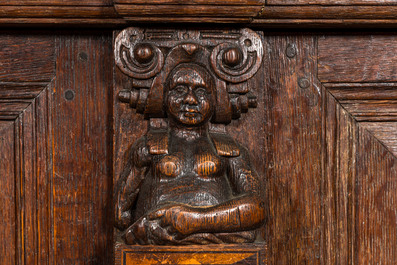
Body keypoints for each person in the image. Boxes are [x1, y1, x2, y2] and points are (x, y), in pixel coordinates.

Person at [115, 63, 265, 245]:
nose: (190, 100)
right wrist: (137, 169)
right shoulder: (149, 146)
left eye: (201, 92)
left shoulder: (229, 149)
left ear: (215, 99)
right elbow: (120, 216)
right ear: (163, 97)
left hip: (216, 238)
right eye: (179, 90)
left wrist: (194, 219)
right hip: (156, 242)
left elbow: (258, 207)